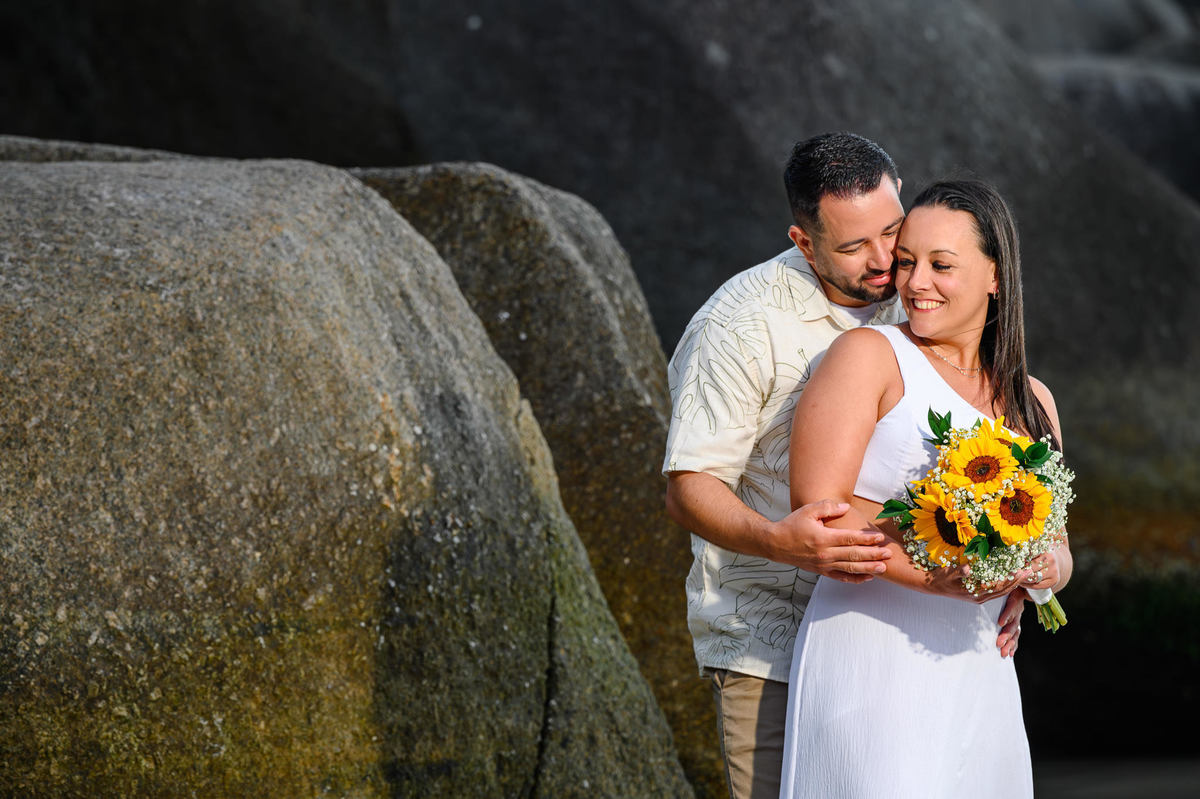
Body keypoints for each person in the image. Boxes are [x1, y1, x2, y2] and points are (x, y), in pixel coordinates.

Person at [662, 133, 1025, 799]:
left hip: (900, 637)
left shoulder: (916, 295)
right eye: (855, 246)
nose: (888, 260)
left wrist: (1004, 570)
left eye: (892, 231)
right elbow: (689, 486)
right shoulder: (740, 323)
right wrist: (777, 538)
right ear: (804, 242)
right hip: (768, 635)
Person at [779, 179, 1074, 798]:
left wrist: (1036, 572)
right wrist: (948, 577)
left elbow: (1060, 548)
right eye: (908, 262)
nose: (915, 283)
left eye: (941, 265)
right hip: (872, 653)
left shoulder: (1033, 400)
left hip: (981, 666)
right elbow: (819, 510)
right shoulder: (869, 355)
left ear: (996, 276)